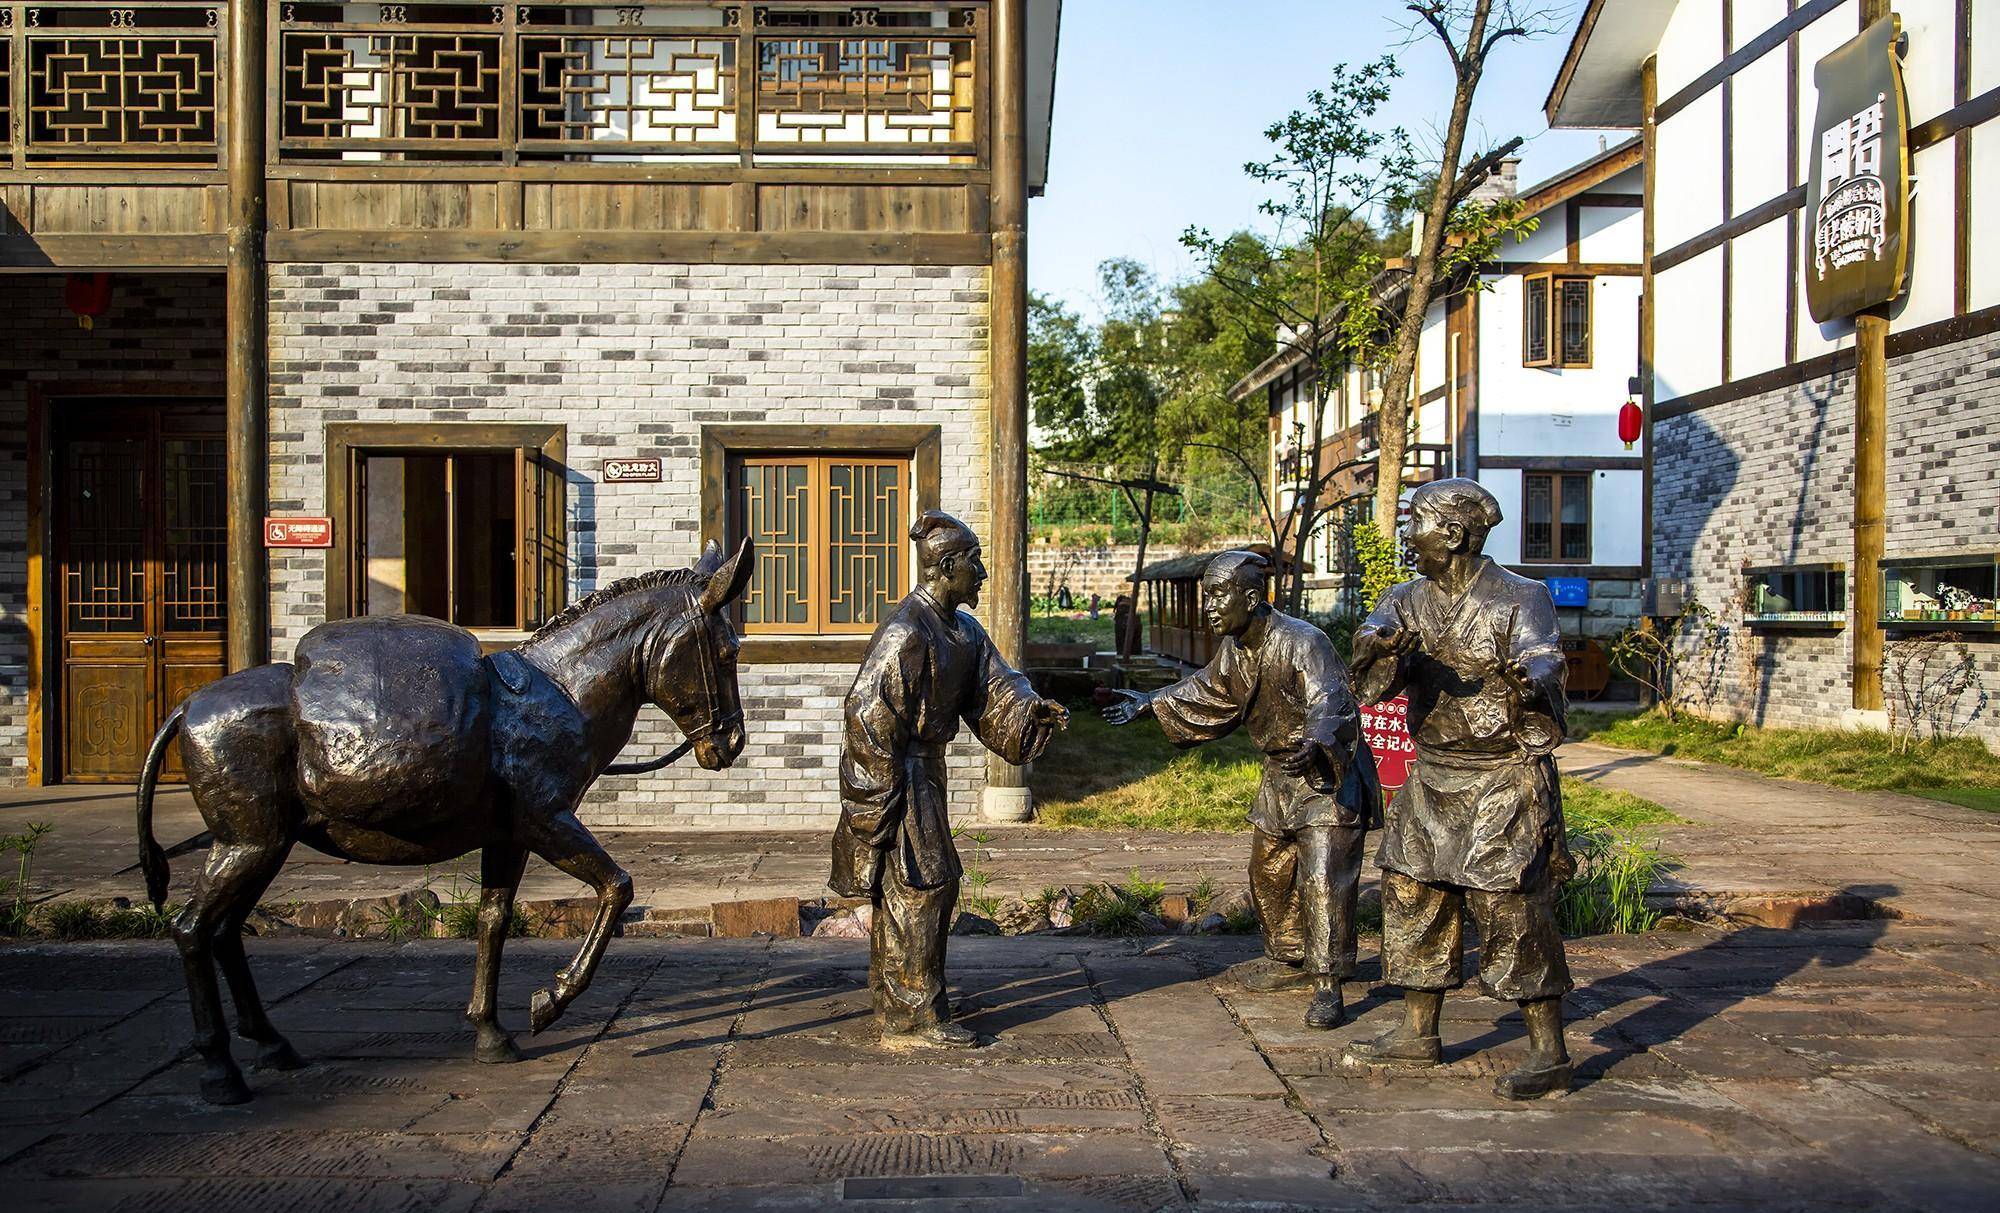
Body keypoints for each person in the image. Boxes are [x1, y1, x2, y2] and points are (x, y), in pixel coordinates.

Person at [1341, 478, 1576, 1100]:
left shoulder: (1522, 597)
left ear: (1450, 534)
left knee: (1512, 908)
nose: (1406, 534)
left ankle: (1548, 1049)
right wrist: (1374, 647)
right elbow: (1371, 664)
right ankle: (1419, 1029)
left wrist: (1534, 674)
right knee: (1413, 893)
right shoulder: (1406, 599)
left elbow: (1545, 655)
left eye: (1415, 521)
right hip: (1433, 768)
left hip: (1501, 773)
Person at [1102, 550, 1380, 1029]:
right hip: (1280, 776)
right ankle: (1290, 957)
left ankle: (1328, 983)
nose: (1209, 605)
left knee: (1322, 879)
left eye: (1218, 594)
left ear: (1251, 599)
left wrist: (1316, 741)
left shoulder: (1303, 642)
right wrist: (1150, 702)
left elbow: (1332, 703)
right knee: (1268, 871)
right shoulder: (1236, 648)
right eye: (1207, 594)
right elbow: (1209, 690)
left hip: (1325, 774)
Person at [830, 512, 1070, 1047]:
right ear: (946, 566)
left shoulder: (963, 631)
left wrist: (1030, 711)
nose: (982, 571)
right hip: (901, 773)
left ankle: (906, 999)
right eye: (974, 560)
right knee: (922, 883)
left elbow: (997, 687)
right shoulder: (906, 634)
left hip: (926, 773)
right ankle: (912, 1014)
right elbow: (865, 716)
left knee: (923, 883)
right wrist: (876, 802)